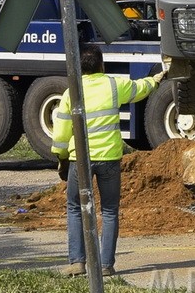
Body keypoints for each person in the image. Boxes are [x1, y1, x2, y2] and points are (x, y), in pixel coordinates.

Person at [52, 44, 164, 277]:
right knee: (110, 210)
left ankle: (77, 262)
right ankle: (105, 266)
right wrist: (156, 79)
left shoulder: (71, 92)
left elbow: (61, 132)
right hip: (110, 158)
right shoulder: (114, 85)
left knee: (75, 208)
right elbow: (139, 89)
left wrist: (61, 158)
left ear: (78, 66)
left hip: (80, 159)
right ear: (101, 64)